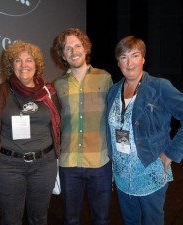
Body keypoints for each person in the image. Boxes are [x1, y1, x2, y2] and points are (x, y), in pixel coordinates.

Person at [106, 36, 183, 225]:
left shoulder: (159, 87)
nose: (129, 62)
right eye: (124, 57)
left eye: (135, 55)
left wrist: (171, 153)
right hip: (121, 174)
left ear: (143, 59)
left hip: (149, 171)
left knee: (152, 221)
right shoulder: (114, 91)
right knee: (130, 221)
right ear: (118, 62)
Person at [0, 40, 61, 225]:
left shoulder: (48, 92)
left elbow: (58, 125)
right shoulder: (0, 92)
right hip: (8, 166)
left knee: (39, 218)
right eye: (18, 60)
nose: (24, 65)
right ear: (11, 65)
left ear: (37, 65)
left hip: (44, 165)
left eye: (29, 60)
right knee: (10, 219)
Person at [52, 28, 113, 225]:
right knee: (70, 220)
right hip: (69, 164)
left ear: (86, 48)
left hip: (100, 163)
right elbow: (54, 121)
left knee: (101, 219)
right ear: (62, 55)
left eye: (77, 46)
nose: (73, 51)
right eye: (68, 48)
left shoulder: (104, 78)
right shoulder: (57, 84)